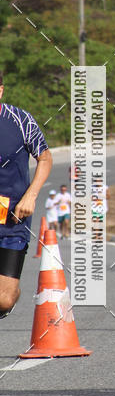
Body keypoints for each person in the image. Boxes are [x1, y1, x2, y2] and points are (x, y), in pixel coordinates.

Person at [0, 73, 52, 319]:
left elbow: (44, 158)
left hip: (12, 219)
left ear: (0, 91)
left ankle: (8, 300)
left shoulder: (20, 120)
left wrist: (30, 196)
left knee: (4, 299)